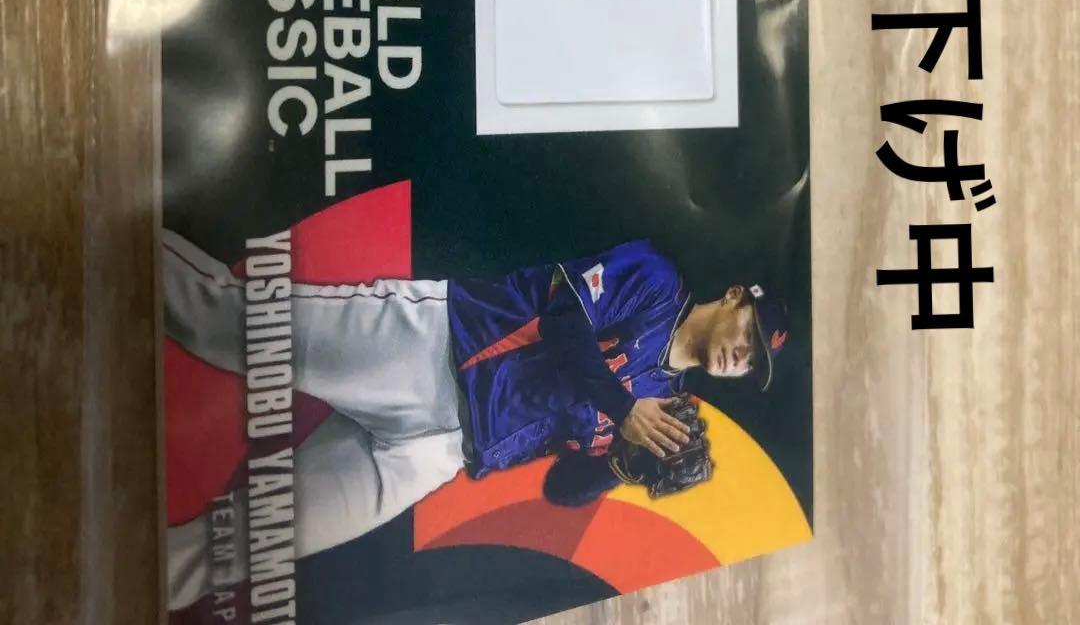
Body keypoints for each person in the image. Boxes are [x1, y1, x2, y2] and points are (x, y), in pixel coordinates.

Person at [164, 231, 790, 610]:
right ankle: (115, 231)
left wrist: (625, 468)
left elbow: (562, 486)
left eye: (752, 362)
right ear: (735, 296)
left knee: (260, 540)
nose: (741, 355)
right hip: (434, 351)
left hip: (440, 455)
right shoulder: (655, 282)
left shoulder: (666, 409)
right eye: (750, 335)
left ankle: (133, 587)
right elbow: (563, 321)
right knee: (223, 321)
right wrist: (624, 410)